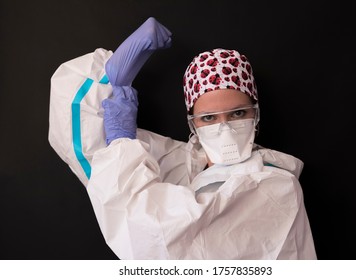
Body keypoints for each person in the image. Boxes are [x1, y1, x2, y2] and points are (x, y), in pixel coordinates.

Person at [49, 17, 316, 259]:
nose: (225, 128)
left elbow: (149, 232)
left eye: (237, 113)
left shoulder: (275, 186)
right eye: (209, 118)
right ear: (193, 123)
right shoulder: (187, 168)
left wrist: (123, 144)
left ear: (256, 114)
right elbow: (91, 152)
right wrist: (109, 76)